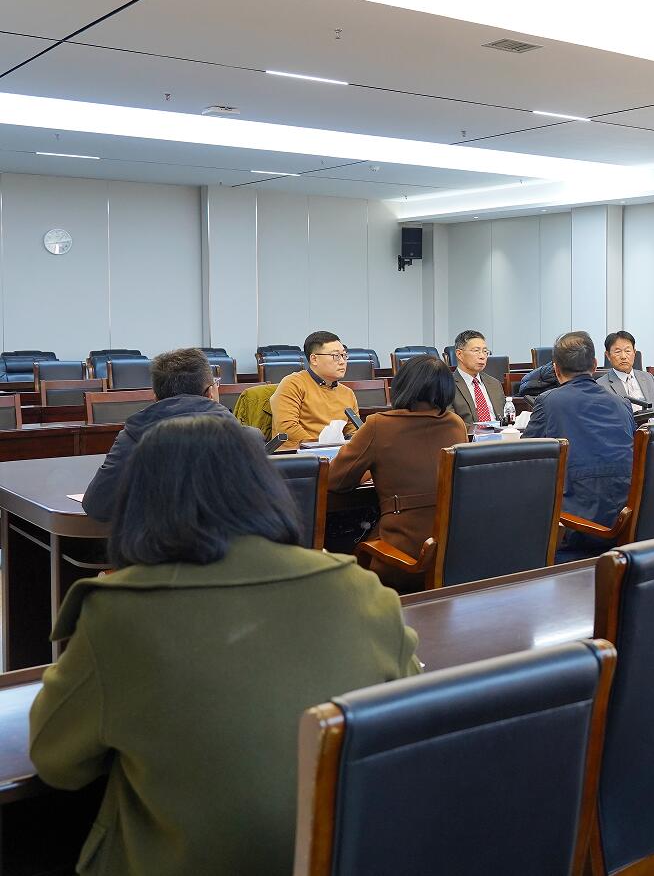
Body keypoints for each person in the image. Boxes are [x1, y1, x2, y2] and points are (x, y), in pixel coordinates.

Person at [29, 417, 420, 876]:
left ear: (140, 503)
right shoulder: (362, 589)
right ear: (266, 489)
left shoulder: (119, 615)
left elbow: (56, 762)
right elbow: (407, 731)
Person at [328, 355, 468, 593]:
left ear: (402, 385)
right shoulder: (456, 424)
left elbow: (335, 480)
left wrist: (370, 470)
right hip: (451, 556)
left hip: (402, 559)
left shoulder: (378, 425)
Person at [82, 347, 241, 521]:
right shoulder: (244, 437)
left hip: (155, 537)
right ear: (210, 393)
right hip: (225, 538)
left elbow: (99, 506)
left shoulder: (133, 437)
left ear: (156, 397)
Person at [521, 331, 634, 558]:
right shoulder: (622, 403)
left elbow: (527, 458)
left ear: (556, 369)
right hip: (625, 521)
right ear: (595, 365)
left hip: (576, 527)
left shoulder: (549, 402)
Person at [269, 330, 359, 445]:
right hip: (299, 452)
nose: (342, 361)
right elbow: (287, 427)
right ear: (314, 359)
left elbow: (354, 431)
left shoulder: (347, 393)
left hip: (334, 452)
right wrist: (318, 447)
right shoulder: (293, 384)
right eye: (336, 356)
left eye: (344, 355)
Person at [449, 329, 507, 426]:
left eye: (485, 351)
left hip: (499, 434)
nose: (482, 356)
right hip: (469, 435)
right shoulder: (447, 385)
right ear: (459, 354)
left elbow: (505, 418)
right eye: (476, 351)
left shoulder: (494, 384)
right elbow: (450, 423)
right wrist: (481, 431)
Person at [596, 330, 654, 410]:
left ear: (634, 353)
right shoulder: (600, 386)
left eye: (627, 351)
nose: (623, 356)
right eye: (617, 352)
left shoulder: (649, 378)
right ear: (608, 355)